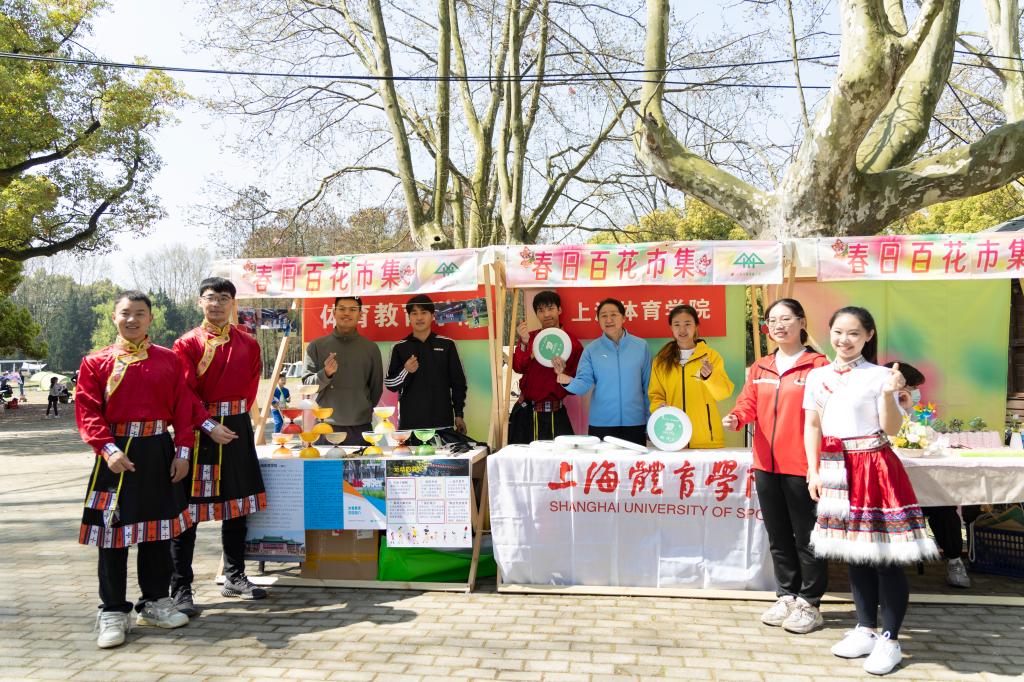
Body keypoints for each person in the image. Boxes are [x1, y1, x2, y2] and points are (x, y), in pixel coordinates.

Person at [804, 306, 938, 676]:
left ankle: (890, 640)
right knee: (855, 554)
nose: (844, 340)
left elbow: (891, 428)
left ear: (868, 335)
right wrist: (813, 470)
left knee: (884, 557)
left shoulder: (881, 376)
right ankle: (865, 629)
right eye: (838, 332)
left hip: (875, 466)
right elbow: (812, 425)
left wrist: (889, 393)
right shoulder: (818, 376)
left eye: (853, 333)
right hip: (836, 468)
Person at [75, 291, 193, 649]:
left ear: (150, 318)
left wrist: (182, 452)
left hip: (159, 450)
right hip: (116, 454)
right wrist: (106, 449)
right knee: (112, 535)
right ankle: (113, 611)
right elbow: (88, 411)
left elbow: (183, 408)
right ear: (114, 317)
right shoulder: (96, 362)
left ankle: (154, 602)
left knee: (157, 532)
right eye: (125, 313)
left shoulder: (169, 360)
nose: (132, 319)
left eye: (139, 313)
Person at [723, 298, 830, 633]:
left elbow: (826, 415)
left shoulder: (818, 365)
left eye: (786, 319)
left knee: (808, 537)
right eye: (772, 321)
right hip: (766, 465)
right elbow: (748, 403)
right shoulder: (762, 366)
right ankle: (787, 595)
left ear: (801, 322)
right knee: (778, 535)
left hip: (802, 466)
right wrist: (737, 417)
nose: (778, 326)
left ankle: (810, 603)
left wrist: (816, 465)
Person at [171, 277, 269, 615]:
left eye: (223, 298)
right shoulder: (187, 344)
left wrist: (236, 418)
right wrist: (208, 424)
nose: (216, 304)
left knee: (237, 507)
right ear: (200, 302)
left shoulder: (248, 343)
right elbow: (183, 393)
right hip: (200, 431)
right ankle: (181, 588)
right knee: (188, 514)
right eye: (210, 297)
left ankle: (235, 576)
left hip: (237, 427)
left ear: (232, 304)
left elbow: (251, 386)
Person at [883, 361, 970, 589]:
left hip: (920, 483)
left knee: (944, 507)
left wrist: (908, 410)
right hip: (887, 487)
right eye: (912, 387)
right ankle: (883, 565)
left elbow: (927, 437)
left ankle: (954, 560)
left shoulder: (916, 412)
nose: (915, 392)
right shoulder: (876, 407)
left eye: (914, 388)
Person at [553, 298, 651, 446]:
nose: (608, 320)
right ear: (598, 320)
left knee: (635, 462)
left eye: (613, 315)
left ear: (624, 318)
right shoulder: (591, 350)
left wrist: (650, 421)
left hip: (635, 423)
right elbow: (584, 384)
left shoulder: (641, 346)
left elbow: (648, 387)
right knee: (604, 462)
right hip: (601, 424)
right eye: (603, 316)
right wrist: (568, 381)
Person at [649, 304, 734, 448]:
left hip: (706, 437)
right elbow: (655, 395)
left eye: (687, 324)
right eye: (677, 325)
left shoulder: (711, 356)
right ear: (671, 328)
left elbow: (724, 393)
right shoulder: (661, 360)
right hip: (673, 437)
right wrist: (659, 406)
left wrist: (709, 377)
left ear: (696, 326)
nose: (682, 330)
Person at [303, 296, 383, 445]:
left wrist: (362, 408)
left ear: (360, 314)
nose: (346, 313)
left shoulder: (371, 348)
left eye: (352, 309)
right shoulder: (316, 346)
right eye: (342, 309)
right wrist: (325, 373)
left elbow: (376, 389)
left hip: (361, 427)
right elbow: (307, 385)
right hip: (325, 426)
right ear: (334, 313)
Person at [384, 294, 468, 437]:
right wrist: (406, 370)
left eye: (424, 312)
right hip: (411, 424)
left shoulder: (447, 345)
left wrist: (459, 415)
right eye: (414, 313)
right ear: (409, 317)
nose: (419, 317)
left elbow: (458, 384)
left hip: (442, 422)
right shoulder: (399, 347)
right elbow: (390, 384)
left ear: (432, 316)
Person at [508, 290, 584, 444]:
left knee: (561, 457)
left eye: (550, 308)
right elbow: (517, 367)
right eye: (541, 310)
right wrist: (525, 344)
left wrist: (563, 373)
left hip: (556, 413)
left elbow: (578, 384)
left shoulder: (572, 344)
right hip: (526, 412)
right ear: (536, 314)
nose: (546, 314)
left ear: (559, 310)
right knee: (525, 457)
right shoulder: (529, 338)